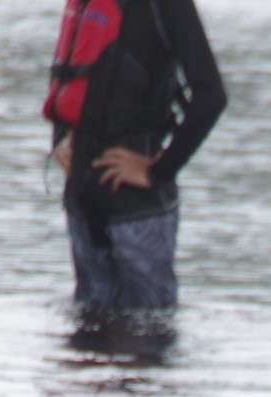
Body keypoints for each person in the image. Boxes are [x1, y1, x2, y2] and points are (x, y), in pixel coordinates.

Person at [44, 0, 226, 311]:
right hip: (83, 201)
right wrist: (61, 138)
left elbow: (211, 96)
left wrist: (158, 172)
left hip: (137, 207)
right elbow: (68, 75)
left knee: (147, 335)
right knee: (87, 335)